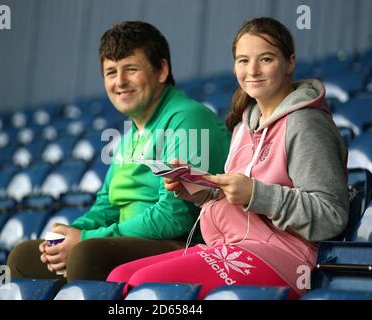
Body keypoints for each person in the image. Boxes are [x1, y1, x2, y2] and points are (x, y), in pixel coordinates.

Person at [107, 17, 349, 299]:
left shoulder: (306, 124)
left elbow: (331, 217)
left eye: (266, 59)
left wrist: (256, 194)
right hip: (233, 243)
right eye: (243, 61)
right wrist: (196, 187)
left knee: (144, 286)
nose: (252, 70)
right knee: (118, 278)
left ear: (289, 63)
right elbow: (237, 199)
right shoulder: (243, 125)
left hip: (288, 259)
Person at [7, 21, 231, 282]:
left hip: (183, 245)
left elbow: (176, 218)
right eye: (111, 72)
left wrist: (86, 239)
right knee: (23, 258)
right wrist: (72, 233)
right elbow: (107, 206)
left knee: (87, 254)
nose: (120, 82)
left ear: (161, 70)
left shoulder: (188, 119)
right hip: (126, 244)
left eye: (131, 69)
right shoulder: (128, 138)